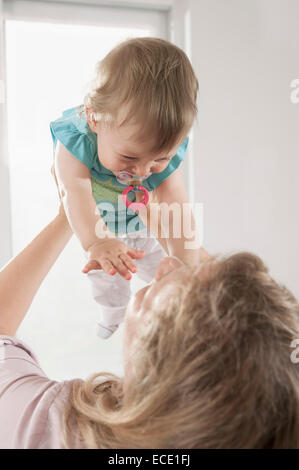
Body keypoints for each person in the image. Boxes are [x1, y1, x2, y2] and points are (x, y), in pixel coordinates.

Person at [1, 168, 299, 449]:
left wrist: (69, 214)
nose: (167, 262)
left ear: (161, 383)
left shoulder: (53, 427)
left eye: (157, 293)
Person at [50, 37, 201, 339]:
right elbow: (73, 190)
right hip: (97, 222)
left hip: (141, 223)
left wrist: (186, 264)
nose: (143, 171)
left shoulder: (159, 150)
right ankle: (112, 312)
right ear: (94, 118)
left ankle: (168, 317)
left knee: (158, 267)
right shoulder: (75, 141)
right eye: (130, 157)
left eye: (160, 159)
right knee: (107, 278)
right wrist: (97, 241)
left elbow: (175, 204)